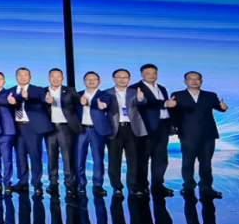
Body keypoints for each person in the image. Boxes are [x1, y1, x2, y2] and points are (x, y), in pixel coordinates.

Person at [171, 72, 229, 200]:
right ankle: (188, 187)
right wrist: (169, 109)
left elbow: (220, 107)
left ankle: (206, 188)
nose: (194, 81)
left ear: (201, 81)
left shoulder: (210, 95)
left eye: (197, 79)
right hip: (187, 134)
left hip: (208, 134)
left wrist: (224, 107)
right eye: (190, 79)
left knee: (206, 163)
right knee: (188, 162)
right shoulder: (177, 95)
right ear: (185, 81)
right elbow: (173, 112)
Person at [8, 67, 51, 197]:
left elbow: (45, 99)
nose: (22, 77)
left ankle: (37, 184)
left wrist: (27, 97)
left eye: (25, 75)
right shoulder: (9, 91)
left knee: (35, 156)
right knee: (20, 156)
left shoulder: (38, 90)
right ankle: (23, 182)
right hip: (17, 128)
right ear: (16, 77)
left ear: (30, 77)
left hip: (33, 127)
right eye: (20, 75)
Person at [134, 64, 176, 198]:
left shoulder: (161, 88)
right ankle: (141, 186)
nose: (152, 75)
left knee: (161, 158)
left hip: (163, 126)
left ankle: (158, 185)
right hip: (146, 127)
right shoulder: (135, 88)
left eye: (154, 73)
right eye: (148, 73)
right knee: (143, 158)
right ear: (141, 74)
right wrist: (164, 103)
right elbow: (146, 102)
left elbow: (167, 106)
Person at [105, 69, 148, 198]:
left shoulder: (135, 92)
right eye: (119, 77)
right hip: (114, 129)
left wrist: (140, 98)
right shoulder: (106, 93)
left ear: (129, 79)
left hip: (132, 128)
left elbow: (142, 103)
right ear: (113, 79)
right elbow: (103, 107)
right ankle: (117, 187)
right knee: (114, 159)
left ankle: (133, 186)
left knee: (133, 159)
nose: (122, 79)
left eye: (125, 77)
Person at [75, 71, 114, 198]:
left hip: (97, 131)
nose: (91, 81)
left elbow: (106, 104)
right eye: (88, 79)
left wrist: (102, 105)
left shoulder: (105, 95)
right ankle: (81, 184)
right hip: (81, 130)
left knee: (98, 159)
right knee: (79, 158)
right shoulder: (77, 95)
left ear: (99, 81)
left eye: (94, 79)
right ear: (83, 81)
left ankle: (98, 185)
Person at [44, 68, 82, 197]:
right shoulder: (43, 91)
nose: (56, 79)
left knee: (67, 157)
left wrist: (84, 101)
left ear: (62, 79)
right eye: (53, 76)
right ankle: (53, 183)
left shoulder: (69, 90)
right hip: (49, 128)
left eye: (58, 77)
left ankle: (70, 184)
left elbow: (79, 99)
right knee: (51, 157)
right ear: (48, 78)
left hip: (65, 128)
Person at [0, 72, 18, 194]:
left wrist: (13, 101)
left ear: (4, 82)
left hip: (7, 130)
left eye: (0, 79)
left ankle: (7, 183)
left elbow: (17, 102)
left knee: (7, 158)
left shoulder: (10, 94)